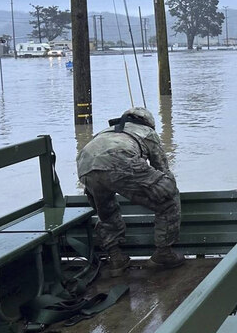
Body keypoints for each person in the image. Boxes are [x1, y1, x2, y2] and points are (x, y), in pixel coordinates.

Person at [77, 106, 184, 276]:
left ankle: (116, 257)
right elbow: (162, 169)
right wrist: (164, 189)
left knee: (107, 210)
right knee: (169, 199)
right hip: (119, 162)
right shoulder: (148, 132)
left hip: (85, 166)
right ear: (149, 122)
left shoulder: (106, 131)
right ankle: (163, 253)